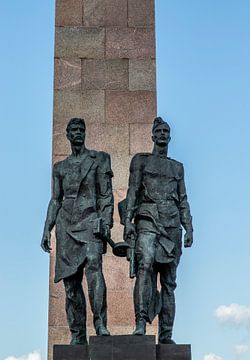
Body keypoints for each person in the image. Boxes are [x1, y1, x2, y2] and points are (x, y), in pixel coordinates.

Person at [41, 118, 114, 345]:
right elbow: (55, 200)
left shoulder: (99, 159)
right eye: (74, 130)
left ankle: (100, 323)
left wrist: (106, 221)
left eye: (82, 129)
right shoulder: (60, 168)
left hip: (91, 220)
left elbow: (106, 194)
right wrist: (47, 228)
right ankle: (78, 334)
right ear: (67, 135)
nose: (78, 133)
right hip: (66, 225)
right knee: (71, 284)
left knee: (94, 265)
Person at [124, 117, 193, 344]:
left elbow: (183, 200)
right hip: (148, 220)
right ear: (153, 136)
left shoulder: (177, 167)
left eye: (166, 131)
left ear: (169, 137)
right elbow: (132, 192)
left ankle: (166, 335)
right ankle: (141, 322)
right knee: (145, 266)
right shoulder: (141, 161)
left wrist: (189, 227)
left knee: (169, 283)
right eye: (159, 131)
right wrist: (127, 221)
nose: (162, 134)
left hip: (172, 225)